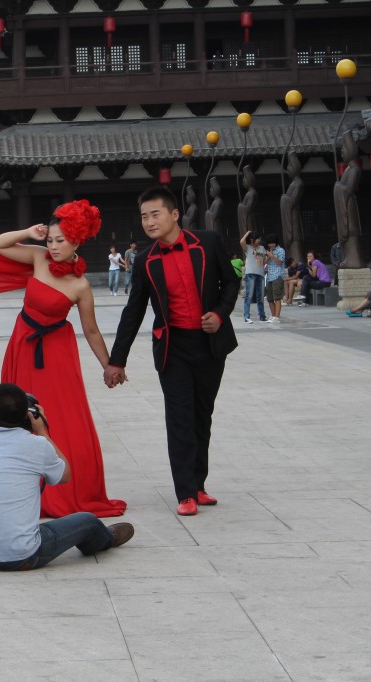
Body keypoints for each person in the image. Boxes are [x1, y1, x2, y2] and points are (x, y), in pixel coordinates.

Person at [0, 200, 127, 518]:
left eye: (60, 240)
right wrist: (28, 232)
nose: (53, 245)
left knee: (63, 417)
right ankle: (20, 484)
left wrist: (110, 365)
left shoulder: (80, 285)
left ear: (76, 240)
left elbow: (91, 331)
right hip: (23, 345)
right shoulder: (38, 258)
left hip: (57, 355)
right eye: (50, 239)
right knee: (18, 414)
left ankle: (64, 486)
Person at [105, 186, 239, 517]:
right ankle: (185, 493)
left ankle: (199, 484)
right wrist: (115, 361)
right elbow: (133, 312)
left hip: (209, 345)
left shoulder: (207, 243)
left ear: (174, 214)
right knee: (179, 417)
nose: (149, 222)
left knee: (201, 415)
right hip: (173, 348)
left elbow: (231, 282)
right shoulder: (146, 262)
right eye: (144, 216)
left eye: (155, 214)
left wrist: (220, 314)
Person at [0, 383, 134, 571]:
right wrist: (43, 432)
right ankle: (106, 538)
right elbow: (65, 475)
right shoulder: (37, 445)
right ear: (29, 416)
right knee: (87, 520)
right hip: (21, 557)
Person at [239, 230, 266, 323]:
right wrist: (247, 232)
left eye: (259, 239)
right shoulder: (248, 248)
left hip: (260, 274)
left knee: (261, 296)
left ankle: (262, 316)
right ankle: (247, 316)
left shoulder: (262, 248)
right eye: (257, 239)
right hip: (250, 273)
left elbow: (264, 261)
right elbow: (241, 241)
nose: (258, 241)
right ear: (251, 240)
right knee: (249, 296)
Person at [264, 233, 286, 323]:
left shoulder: (281, 250)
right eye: (269, 243)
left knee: (277, 297)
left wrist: (272, 256)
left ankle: (277, 317)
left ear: (276, 242)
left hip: (278, 276)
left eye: (272, 243)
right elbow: (264, 263)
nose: (271, 245)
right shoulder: (268, 251)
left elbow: (280, 262)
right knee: (270, 298)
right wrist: (268, 256)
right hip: (269, 277)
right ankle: (273, 315)